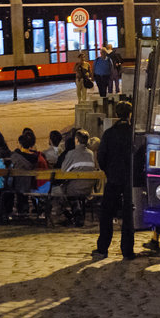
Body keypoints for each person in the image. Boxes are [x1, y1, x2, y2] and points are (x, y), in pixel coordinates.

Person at [92, 101, 135, 260]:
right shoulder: (133, 133)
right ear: (130, 114)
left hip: (114, 177)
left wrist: (108, 171)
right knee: (128, 214)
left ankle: (103, 247)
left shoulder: (109, 133)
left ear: (117, 114)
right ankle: (127, 250)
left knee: (107, 213)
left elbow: (101, 156)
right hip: (129, 179)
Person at [52, 129, 96, 226]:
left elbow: (64, 171)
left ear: (76, 140)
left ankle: (66, 214)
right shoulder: (91, 153)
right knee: (71, 189)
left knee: (55, 190)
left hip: (75, 188)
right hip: (89, 188)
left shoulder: (71, 153)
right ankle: (76, 212)